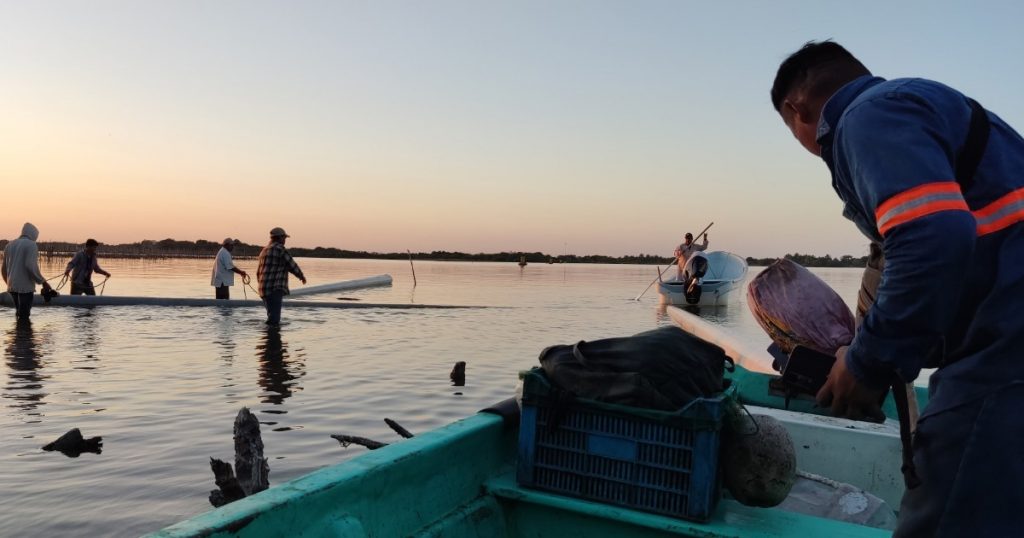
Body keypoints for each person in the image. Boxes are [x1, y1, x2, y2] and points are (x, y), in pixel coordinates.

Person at [772, 40, 1024, 536]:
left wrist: (868, 363)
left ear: (795, 109)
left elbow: (934, 236)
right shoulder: (931, 105)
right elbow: (967, 252)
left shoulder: (867, 117)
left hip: (1006, 348)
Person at [2, 223, 53, 320]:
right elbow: (30, 266)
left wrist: (9, 284)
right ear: (34, 235)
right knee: (25, 315)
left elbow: (3, 269)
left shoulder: (9, 245)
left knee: (18, 313)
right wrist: (43, 282)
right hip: (25, 288)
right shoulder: (31, 245)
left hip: (12, 286)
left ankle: (18, 333)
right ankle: (24, 334)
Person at [256, 227, 306, 326]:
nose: (285, 240)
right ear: (279, 238)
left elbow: (258, 272)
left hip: (263, 289)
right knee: (274, 319)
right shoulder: (280, 249)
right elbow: (291, 264)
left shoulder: (264, 250)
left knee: (271, 316)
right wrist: (301, 276)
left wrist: (262, 284)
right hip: (275, 288)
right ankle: (273, 339)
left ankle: (268, 338)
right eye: (284, 238)